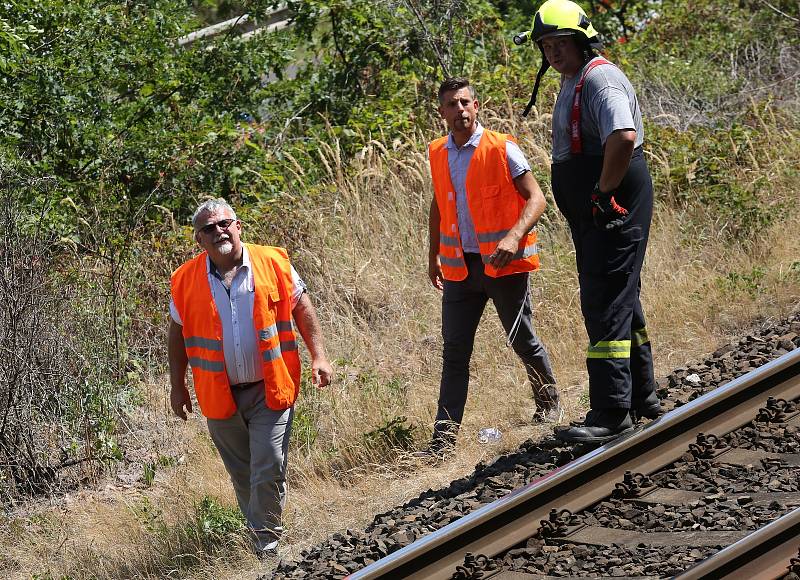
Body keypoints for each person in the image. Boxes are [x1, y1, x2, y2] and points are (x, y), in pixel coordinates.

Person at [521, 0, 660, 444]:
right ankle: (643, 396)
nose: (553, 52)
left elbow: (622, 137)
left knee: (606, 301)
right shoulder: (574, 79)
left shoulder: (599, 78)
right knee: (620, 295)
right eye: (546, 45)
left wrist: (601, 194)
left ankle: (611, 411)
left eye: (560, 42)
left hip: (612, 204)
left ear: (581, 39)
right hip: (596, 208)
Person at [167, 198, 332, 557]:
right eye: (208, 229)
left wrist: (319, 356)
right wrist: (176, 385)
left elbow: (302, 308)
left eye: (224, 223)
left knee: (268, 466)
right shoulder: (184, 280)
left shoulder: (272, 262)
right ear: (199, 239)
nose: (219, 232)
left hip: (270, 387)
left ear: (238, 226)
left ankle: (267, 546)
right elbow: (176, 335)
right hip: (218, 394)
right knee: (243, 475)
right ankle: (262, 533)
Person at [422, 77, 562, 457]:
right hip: (459, 270)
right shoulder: (437, 152)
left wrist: (514, 236)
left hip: (503, 266)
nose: (460, 110)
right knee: (454, 354)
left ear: (477, 106)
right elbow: (438, 204)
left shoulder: (503, 148)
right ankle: (443, 441)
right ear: (442, 112)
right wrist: (432, 252)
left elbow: (537, 199)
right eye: (452, 104)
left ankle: (549, 404)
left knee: (521, 339)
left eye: (465, 102)